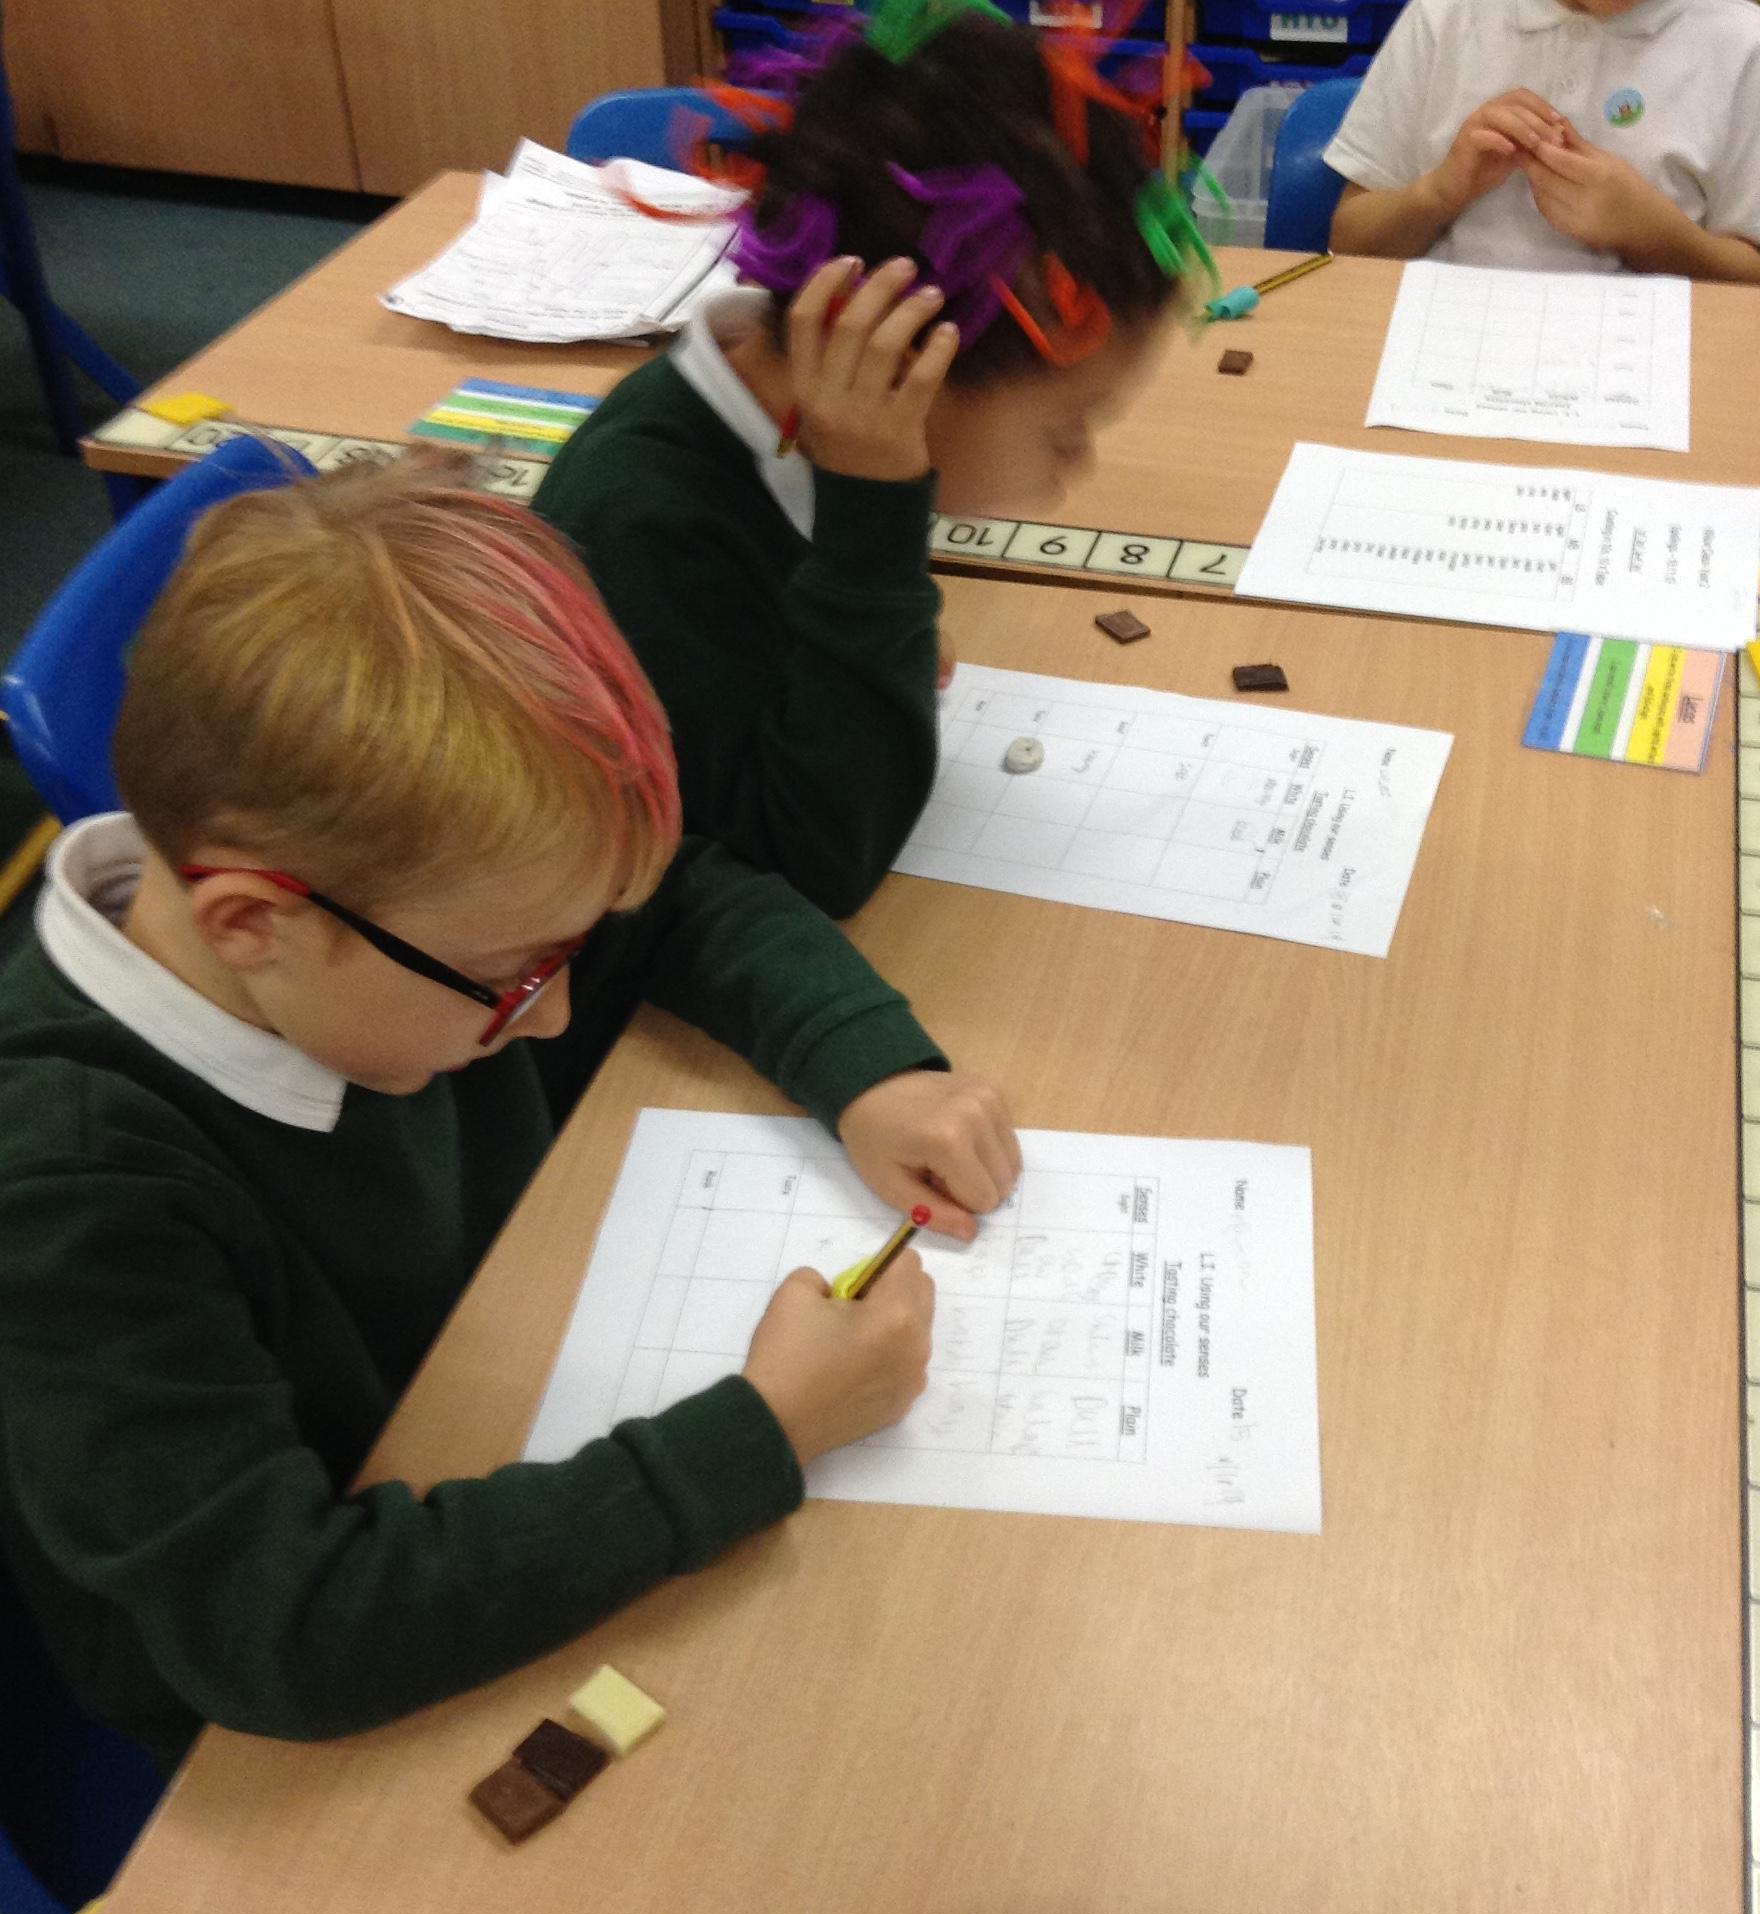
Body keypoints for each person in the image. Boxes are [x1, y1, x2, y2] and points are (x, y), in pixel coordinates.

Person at [0, 453, 1020, 1770]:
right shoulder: (66, 1192)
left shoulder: (395, 917)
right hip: (277, 1737)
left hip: (487, 1388)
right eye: (517, 975)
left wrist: (869, 1066)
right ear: (252, 922)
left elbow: (680, 903)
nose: (550, 1016)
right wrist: (763, 1432)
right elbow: (284, 1631)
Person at [536, 0, 1209, 916]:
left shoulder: (785, 429)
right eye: (1066, 428)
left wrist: (861, 624)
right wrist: (872, 553)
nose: (1078, 467)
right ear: (898, 368)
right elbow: (814, 865)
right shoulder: (647, 525)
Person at [1324, 0, 1760, 283]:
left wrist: (1652, 235)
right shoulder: (1445, 15)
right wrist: (1439, 192)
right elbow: (1350, 241)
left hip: (1646, 365)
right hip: (1449, 348)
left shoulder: (1742, 42)